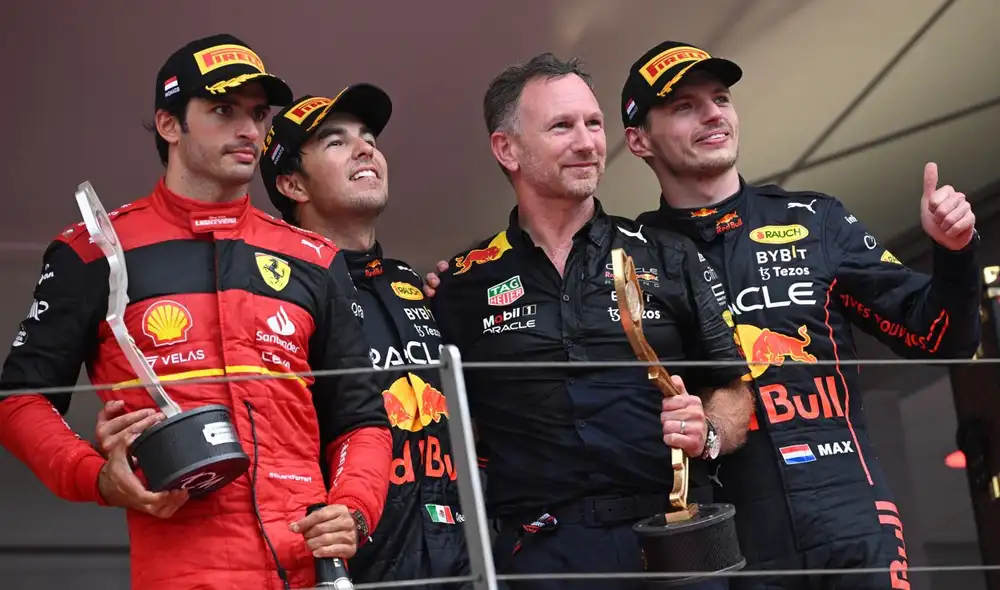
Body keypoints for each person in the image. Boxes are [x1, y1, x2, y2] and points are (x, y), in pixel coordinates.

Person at [0, 34, 392, 590]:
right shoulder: (94, 251)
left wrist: (353, 507)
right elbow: (20, 400)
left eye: (258, 113)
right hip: (183, 570)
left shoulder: (313, 258)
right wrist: (96, 476)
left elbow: (362, 421)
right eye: (224, 110)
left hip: (307, 568)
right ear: (169, 125)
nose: (249, 129)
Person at [619, 40, 982, 589]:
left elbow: (942, 340)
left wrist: (955, 253)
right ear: (638, 139)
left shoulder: (815, 220)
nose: (713, 114)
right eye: (685, 106)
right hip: (727, 535)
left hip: (850, 511)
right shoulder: (630, 257)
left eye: (721, 98)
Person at [426, 53, 753, 590]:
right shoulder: (461, 285)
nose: (587, 143)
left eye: (594, 123)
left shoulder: (669, 255)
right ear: (507, 149)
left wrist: (710, 431)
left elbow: (734, 388)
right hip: (539, 553)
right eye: (562, 126)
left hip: (674, 535)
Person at [257, 86, 471, 587]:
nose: (365, 149)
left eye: (369, 138)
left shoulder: (412, 283)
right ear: (292, 184)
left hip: (456, 559)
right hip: (346, 562)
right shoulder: (279, 296)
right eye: (336, 142)